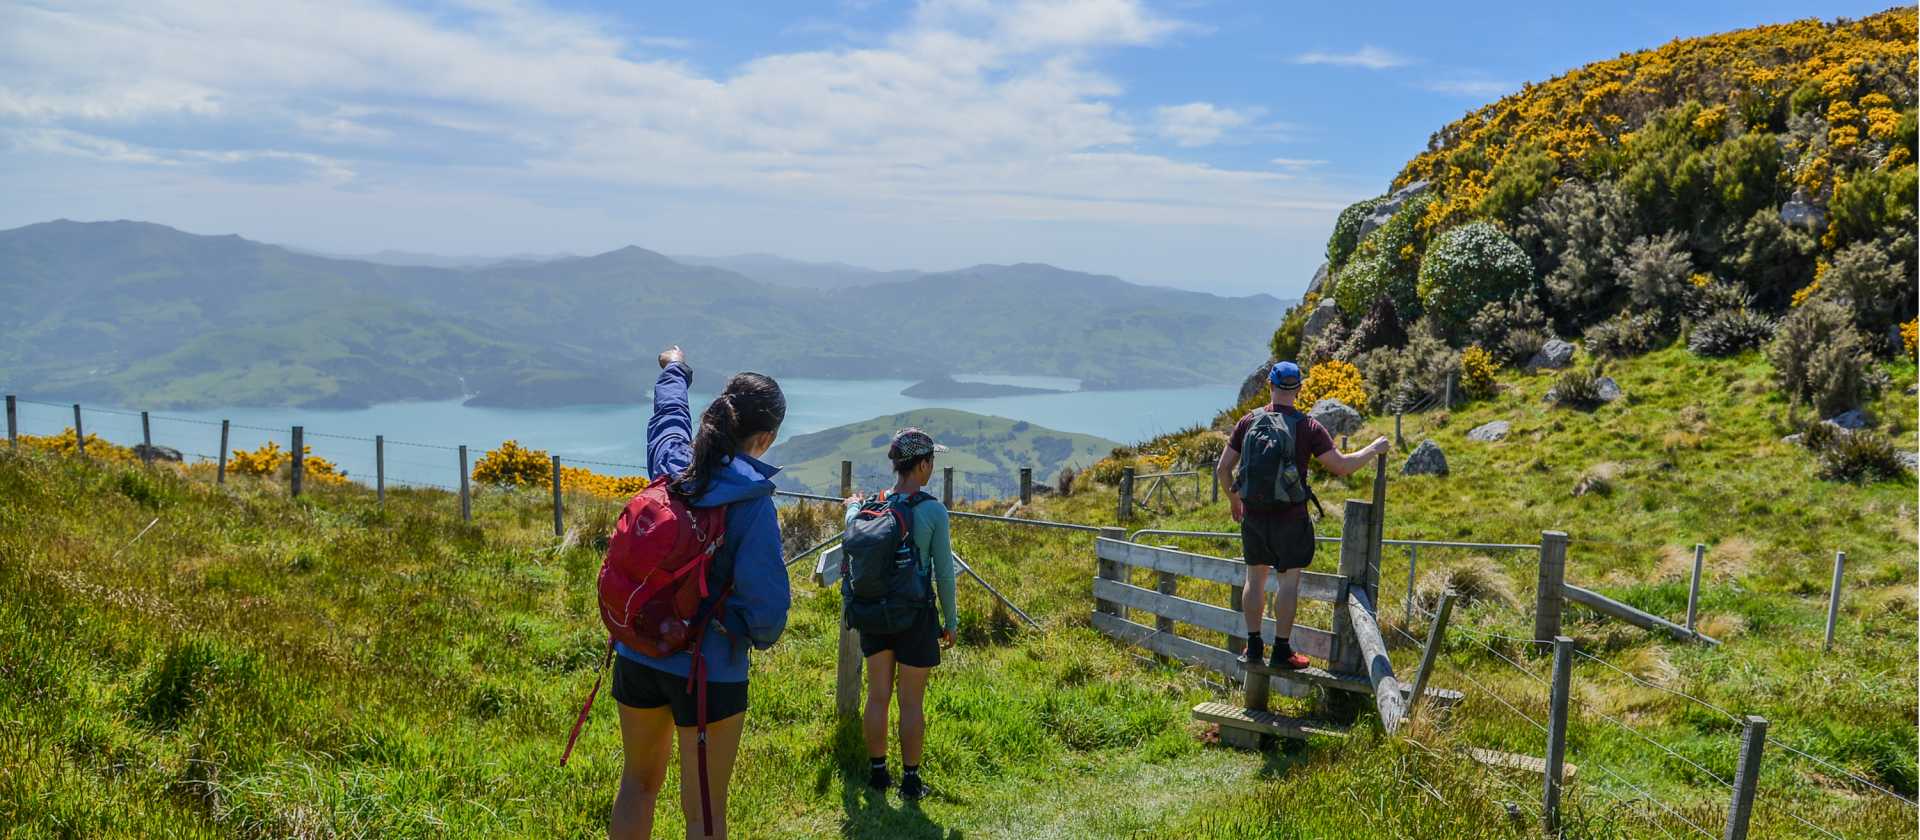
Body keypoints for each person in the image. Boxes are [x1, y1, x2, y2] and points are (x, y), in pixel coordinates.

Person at [609, 345, 791, 840]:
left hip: (638, 650)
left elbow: (668, 414)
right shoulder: (752, 505)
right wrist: (737, 630)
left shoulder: (672, 466)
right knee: (704, 813)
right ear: (766, 437)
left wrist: (675, 368)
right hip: (710, 671)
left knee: (638, 785)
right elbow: (769, 614)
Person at [1214, 361, 1387, 670]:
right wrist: (1373, 449)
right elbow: (1342, 466)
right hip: (1290, 517)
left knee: (1254, 579)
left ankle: (1253, 648)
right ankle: (1281, 651)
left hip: (1253, 515)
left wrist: (1233, 500)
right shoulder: (1308, 427)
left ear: (1269, 385)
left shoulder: (1248, 421)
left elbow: (1223, 469)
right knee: (1288, 583)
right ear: (1299, 389)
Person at [842, 428, 957, 802]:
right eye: (932, 462)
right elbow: (943, 573)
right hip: (916, 616)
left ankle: (878, 775)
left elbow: (852, 537)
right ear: (923, 464)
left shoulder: (870, 506)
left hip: (873, 613)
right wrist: (950, 622)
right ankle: (910, 781)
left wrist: (850, 508)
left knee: (877, 697)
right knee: (911, 703)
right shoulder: (933, 510)